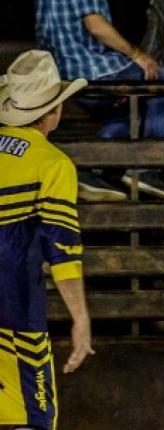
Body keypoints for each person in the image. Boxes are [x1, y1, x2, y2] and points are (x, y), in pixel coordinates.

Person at [36, 0, 164, 202]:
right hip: (90, 68)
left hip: (67, 71)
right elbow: (95, 24)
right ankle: (148, 168)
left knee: (127, 111)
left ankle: (92, 170)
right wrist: (137, 54)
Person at [0, 50, 98, 430]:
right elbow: (63, 251)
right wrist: (80, 318)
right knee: (32, 416)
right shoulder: (52, 164)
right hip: (16, 308)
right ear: (53, 111)